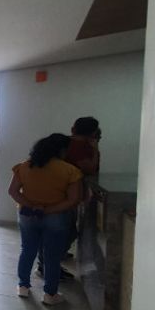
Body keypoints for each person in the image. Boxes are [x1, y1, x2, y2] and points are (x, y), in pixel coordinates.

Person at [9, 133, 83, 305]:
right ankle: (50, 294)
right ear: (62, 150)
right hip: (56, 216)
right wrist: (48, 210)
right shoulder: (70, 171)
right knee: (52, 256)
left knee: (27, 250)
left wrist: (32, 206)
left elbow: (13, 191)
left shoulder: (24, 166)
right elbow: (73, 199)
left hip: (28, 215)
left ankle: (23, 286)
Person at [37, 116, 102, 277]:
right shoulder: (83, 146)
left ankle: (47, 261)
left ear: (73, 128)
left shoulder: (61, 142)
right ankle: (48, 264)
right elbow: (91, 169)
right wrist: (95, 149)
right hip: (67, 196)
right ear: (93, 133)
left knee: (53, 231)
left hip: (52, 192)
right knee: (67, 231)